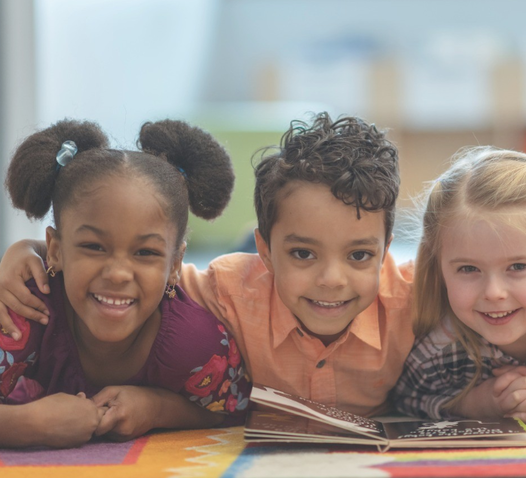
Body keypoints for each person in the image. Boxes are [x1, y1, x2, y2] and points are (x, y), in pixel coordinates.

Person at [0, 113, 414, 418]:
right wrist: (32, 251)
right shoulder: (224, 291)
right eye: (303, 253)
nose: (331, 280)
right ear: (265, 252)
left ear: (385, 252)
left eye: (359, 255)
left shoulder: (417, 301)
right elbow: (140, 270)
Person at [0, 119, 249, 448]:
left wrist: (156, 409)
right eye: (94, 246)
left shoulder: (197, 344)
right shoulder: (24, 309)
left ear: (175, 265)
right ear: (56, 250)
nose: (118, 274)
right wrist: (27, 425)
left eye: (145, 252)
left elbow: (233, 407)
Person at [393, 146, 526, 428]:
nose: (493, 292)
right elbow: (407, 399)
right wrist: (477, 403)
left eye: (518, 267)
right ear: (439, 270)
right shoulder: (439, 349)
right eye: (468, 269)